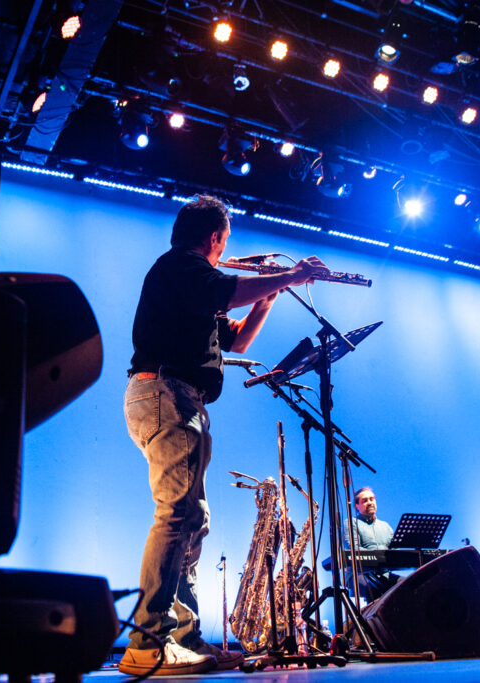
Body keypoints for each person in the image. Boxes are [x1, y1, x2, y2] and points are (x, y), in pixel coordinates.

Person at [119, 195, 330, 675]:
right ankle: (148, 641)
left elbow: (238, 338)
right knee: (177, 514)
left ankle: (183, 635)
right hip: (167, 392)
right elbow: (228, 290)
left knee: (192, 519)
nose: (224, 250)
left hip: (173, 396)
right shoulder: (182, 266)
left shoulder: (192, 286)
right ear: (215, 237)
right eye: (224, 241)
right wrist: (292, 275)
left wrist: (268, 297)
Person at [343, 486, 401, 602]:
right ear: (356, 506)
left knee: (410, 584)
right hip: (359, 574)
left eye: (372, 499)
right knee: (374, 588)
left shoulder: (385, 526)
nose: (370, 502)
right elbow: (353, 549)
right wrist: (381, 556)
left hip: (384, 574)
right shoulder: (350, 523)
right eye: (365, 500)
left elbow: (395, 553)